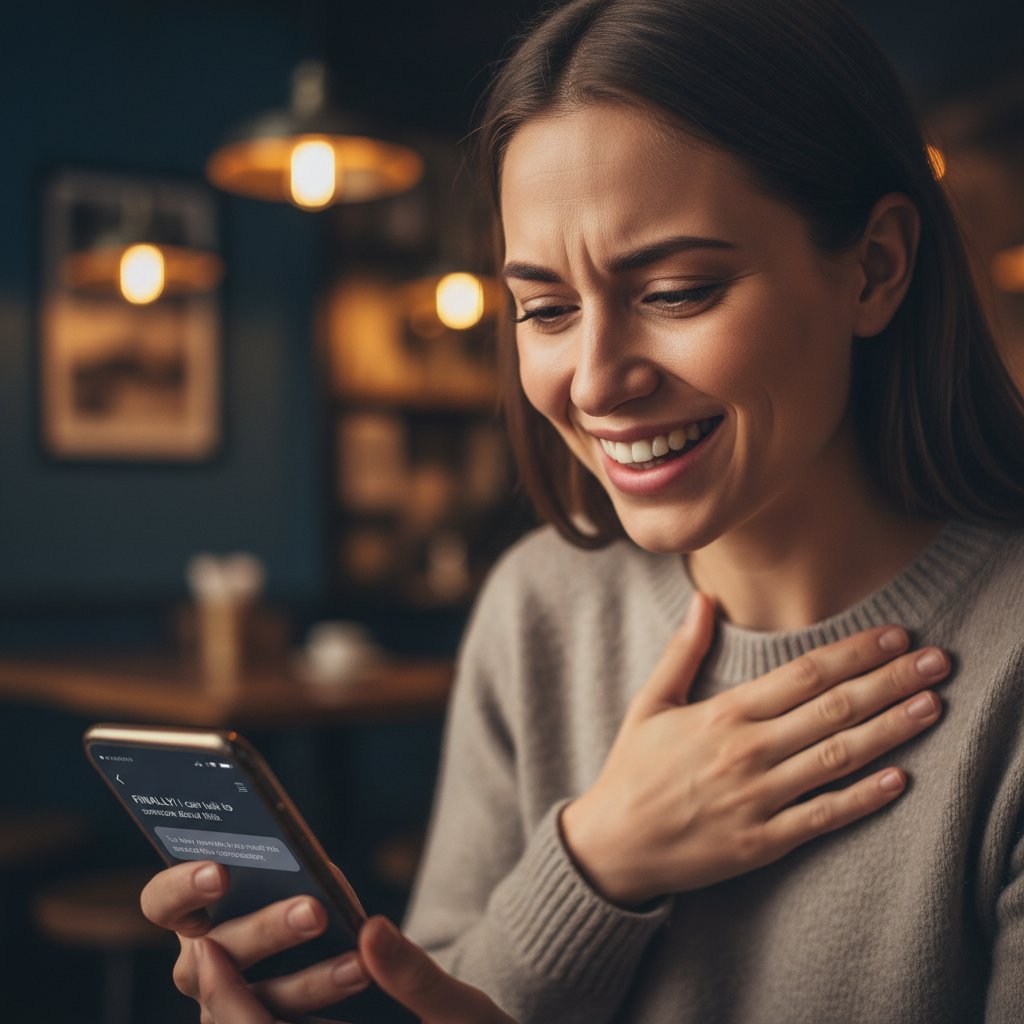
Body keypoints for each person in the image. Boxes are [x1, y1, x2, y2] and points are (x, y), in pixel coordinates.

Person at [142, 1, 1024, 1021]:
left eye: (678, 290)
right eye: (547, 310)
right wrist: (594, 857)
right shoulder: (537, 608)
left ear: (873, 269)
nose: (595, 382)